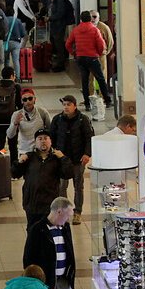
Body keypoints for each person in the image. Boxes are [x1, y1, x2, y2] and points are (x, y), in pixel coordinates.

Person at [23, 197, 76, 289]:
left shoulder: (65, 228)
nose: (68, 219)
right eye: (67, 215)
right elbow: (28, 259)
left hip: (64, 280)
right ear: (59, 212)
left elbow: (69, 250)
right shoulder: (37, 230)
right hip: (46, 284)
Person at [12, 129, 73, 229]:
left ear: (50, 141)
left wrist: (63, 158)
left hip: (50, 206)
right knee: (33, 231)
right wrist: (19, 162)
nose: (43, 141)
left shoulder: (56, 159)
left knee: (49, 232)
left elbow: (68, 174)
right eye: (39, 139)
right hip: (32, 204)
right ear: (35, 142)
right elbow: (14, 174)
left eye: (46, 138)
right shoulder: (29, 157)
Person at [49, 95, 93, 225]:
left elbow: (89, 137)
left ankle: (77, 212)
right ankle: (64, 211)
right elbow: (52, 137)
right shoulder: (57, 120)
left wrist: (87, 154)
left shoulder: (82, 119)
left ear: (75, 106)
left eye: (69, 104)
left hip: (77, 160)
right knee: (62, 186)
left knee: (78, 186)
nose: (66, 107)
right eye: (64, 104)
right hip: (62, 160)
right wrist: (54, 153)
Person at [66, 11, 112, 109]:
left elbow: (68, 44)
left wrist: (74, 53)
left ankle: (87, 103)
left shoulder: (76, 30)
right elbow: (101, 44)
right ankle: (107, 100)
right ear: (90, 19)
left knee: (85, 81)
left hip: (81, 58)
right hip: (93, 58)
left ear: (81, 19)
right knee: (100, 79)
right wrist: (99, 53)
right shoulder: (94, 30)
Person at [6, 88, 52, 159]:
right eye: (25, 99)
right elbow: (10, 135)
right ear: (22, 101)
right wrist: (15, 124)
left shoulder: (42, 112)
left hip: (40, 151)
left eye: (30, 98)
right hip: (24, 151)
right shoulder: (17, 114)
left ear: (35, 99)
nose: (28, 101)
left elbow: (50, 132)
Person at [0, 66, 22, 154]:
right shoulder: (16, 87)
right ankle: (13, 166)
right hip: (12, 121)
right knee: (13, 146)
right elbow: (20, 105)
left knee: (0, 146)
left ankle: (1, 163)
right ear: (11, 76)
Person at [47, 0, 70, 72]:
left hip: (59, 27)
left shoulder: (59, 2)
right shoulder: (49, 2)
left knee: (59, 45)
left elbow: (60, 13)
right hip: (52, 27)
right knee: (54, 45)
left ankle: (61, 65)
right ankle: (56, 63)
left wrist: (50, 18)